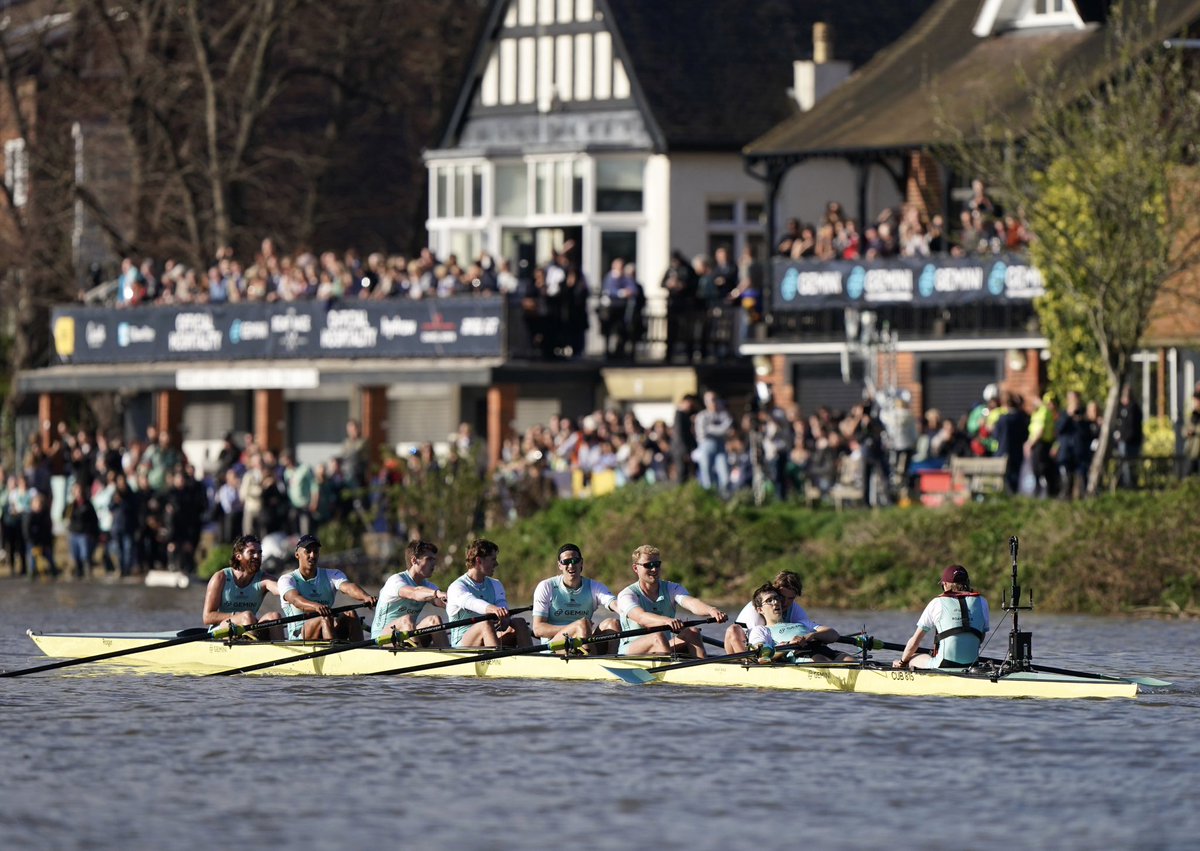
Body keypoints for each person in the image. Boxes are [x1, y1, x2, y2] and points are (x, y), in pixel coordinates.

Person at [616, 544, 726, 657]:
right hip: (631, 651)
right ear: (635, 568)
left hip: (663, 646)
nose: (654, 569)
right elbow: (641, 617)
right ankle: (669, 671)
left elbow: (691, 603)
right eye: (648, 565)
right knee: (657, 636)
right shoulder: (627, 595)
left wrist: (711, 610)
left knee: (692, 632)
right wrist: (666, 620)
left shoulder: (671, 588)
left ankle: (702, 668)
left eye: (657, 564)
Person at [279, 534, 377, 641]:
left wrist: (366, 597)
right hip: (300, 634)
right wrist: (316, 606)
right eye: (308, 551)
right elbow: (295, 600)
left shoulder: (332, 574)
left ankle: (358, 651)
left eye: (315, 551)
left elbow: (348, 588)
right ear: (297, 555)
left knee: (351, 614)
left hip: (327, 625)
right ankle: (332, 651)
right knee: (324, 617)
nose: (312, 555)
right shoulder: (287, 579)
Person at [723, 570, 842, 657]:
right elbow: (759, 646)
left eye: (790, 598)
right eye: (782, 597)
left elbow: (806, 633)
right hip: (743, 643)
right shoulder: (756, 611)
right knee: (733, 629)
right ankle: (746, 664)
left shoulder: (796, 610)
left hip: (783, 647)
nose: (784, 603)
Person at [894, 564, 990, 669]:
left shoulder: (937, 603)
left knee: (912, 657)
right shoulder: (982, 602)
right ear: (967, 582)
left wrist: (902, 662)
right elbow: (981, 637)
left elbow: (914, 642)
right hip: (972, 664)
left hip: (944, 664)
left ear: (944, 584)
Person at [531, 543, 620, 654]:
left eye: (575, 561)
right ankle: (590, 661)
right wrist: (576, 628)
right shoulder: (546, 587)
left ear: (581, 562)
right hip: (555, 645)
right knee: (582, 624)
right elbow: (538, 629)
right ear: (559, 565)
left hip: (584, 640)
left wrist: (630, 612)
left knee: (613, 623)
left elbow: (614, 604)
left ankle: (614, 660)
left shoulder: (594, 587)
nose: (571, 566)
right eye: (566, 562)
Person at [445, 538, 531, 648]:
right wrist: (494, 609)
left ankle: (531, 659)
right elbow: (472, 602)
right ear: (479, 560)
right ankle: (496, 662)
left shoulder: (495, 584)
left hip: (491, 636)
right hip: (463, 644)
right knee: (485, 624)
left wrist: (504, 618)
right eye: (493, 559)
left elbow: (502, 606)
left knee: (519, 622)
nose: (496, 564)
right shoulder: (457, 587)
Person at [745, 584, 854, 663]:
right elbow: (762, 655)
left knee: (851, 661)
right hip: (800, 653)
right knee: (824, 661)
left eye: (777, 598)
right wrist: (789, 644)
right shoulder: (761, 630)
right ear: (760, 610)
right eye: (769, 600)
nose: (775, 602)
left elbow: (834, 635)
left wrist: (813, 635)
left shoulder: (802, 623)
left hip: (824, 649)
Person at [202, 534, 282, 639]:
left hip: (250, 624)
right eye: (252, 552)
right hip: (221, 630)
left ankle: (284, 650)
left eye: (259, 552)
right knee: (247, 616)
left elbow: (282, 590)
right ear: (238, 556)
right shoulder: (221, 578)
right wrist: (238, 616)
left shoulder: (264, 579)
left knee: (274, 617)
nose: (257, 556)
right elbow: (207, 617)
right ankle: (253, 649)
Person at [371, 539, 449, 647]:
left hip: (407, 633)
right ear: (414, 560)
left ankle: (447, 657)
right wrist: (436, 593)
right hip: (381, 638)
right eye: (429, 559)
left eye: (434, 559)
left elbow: (447, 603)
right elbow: (414, 593)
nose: (433, 564)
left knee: (434, 620)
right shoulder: (396, 580)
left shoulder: (428, 586)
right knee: (407, 620)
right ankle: (419, 658)